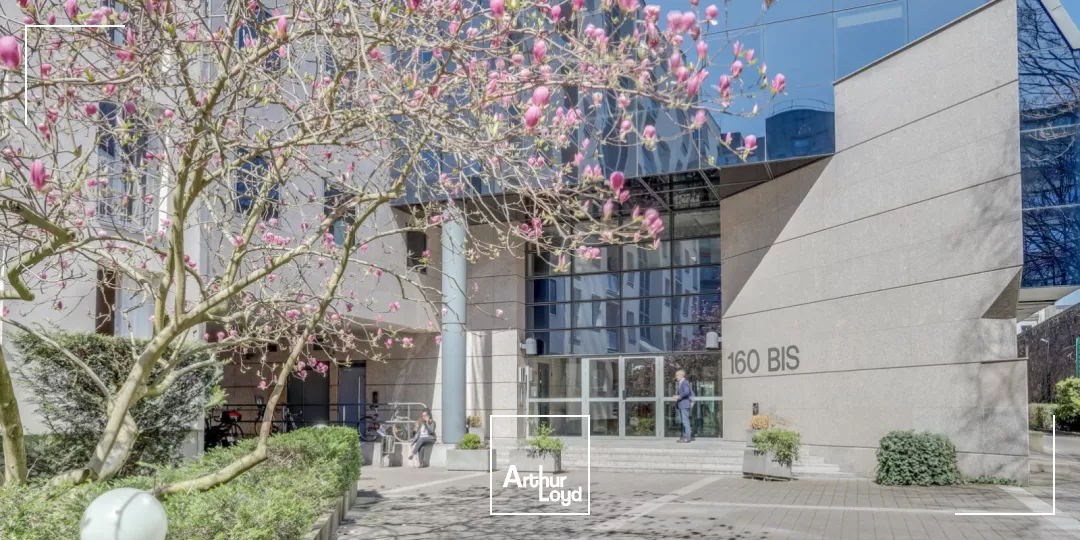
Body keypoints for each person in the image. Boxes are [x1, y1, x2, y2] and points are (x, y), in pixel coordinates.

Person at [675, 369, 694, 443]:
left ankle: (687, 438)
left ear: (680, 375)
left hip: (684, 404)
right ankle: (684, 437)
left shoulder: (684, 382)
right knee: (684, 422)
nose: (675, 377)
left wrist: (678, 397)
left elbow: (686, 392)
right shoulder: (682, 382)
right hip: (682, 404)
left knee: (686, 422)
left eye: (676, 375)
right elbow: (691, 392)